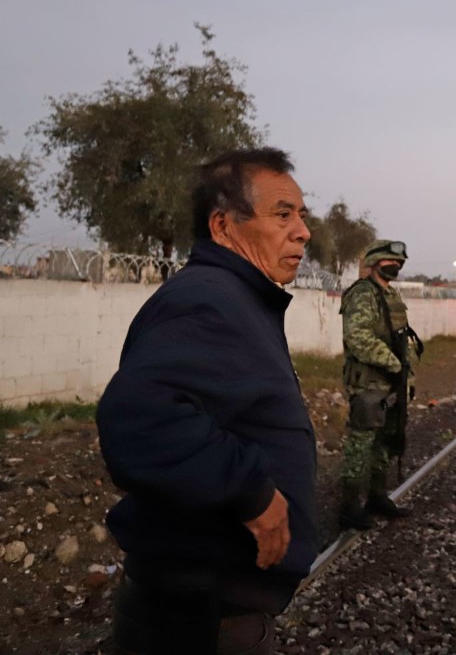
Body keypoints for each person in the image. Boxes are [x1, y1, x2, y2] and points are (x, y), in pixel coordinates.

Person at [97, 148, 317, 654]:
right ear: (223, 226)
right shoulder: (209, 298)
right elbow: (139, 418)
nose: (303, 231)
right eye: (283, 214)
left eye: (301, 215)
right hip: (202, 617)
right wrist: (251, 493)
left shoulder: (235, 296)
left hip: (207, 604)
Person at [338, 238, 421, 531]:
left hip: (391, 385)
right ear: (374, 262)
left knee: (386, 443)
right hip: (369, 385)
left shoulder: (391, 295)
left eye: (398, 262)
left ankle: (376, 497)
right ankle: (349, 508)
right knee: (360, 446)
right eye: (389, 261)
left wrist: (406, 376)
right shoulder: (363, 295)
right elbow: (358, 337)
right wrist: (394, 364)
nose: (395, 266)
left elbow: (402, 339)